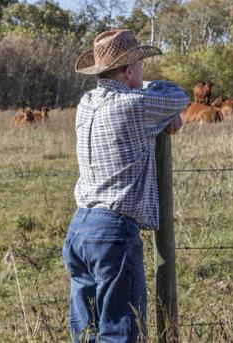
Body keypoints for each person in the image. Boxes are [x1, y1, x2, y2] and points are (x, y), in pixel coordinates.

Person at [62, 29, 189, 342]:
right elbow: (178, 96)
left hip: (79, 228)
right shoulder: (134, 106)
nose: (143, 72)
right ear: (130, 71)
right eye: (140, 67)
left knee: (87, 333)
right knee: (120, 332)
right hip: (112, 231)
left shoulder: (86, 103)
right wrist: (167, 115)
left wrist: (163, 116)